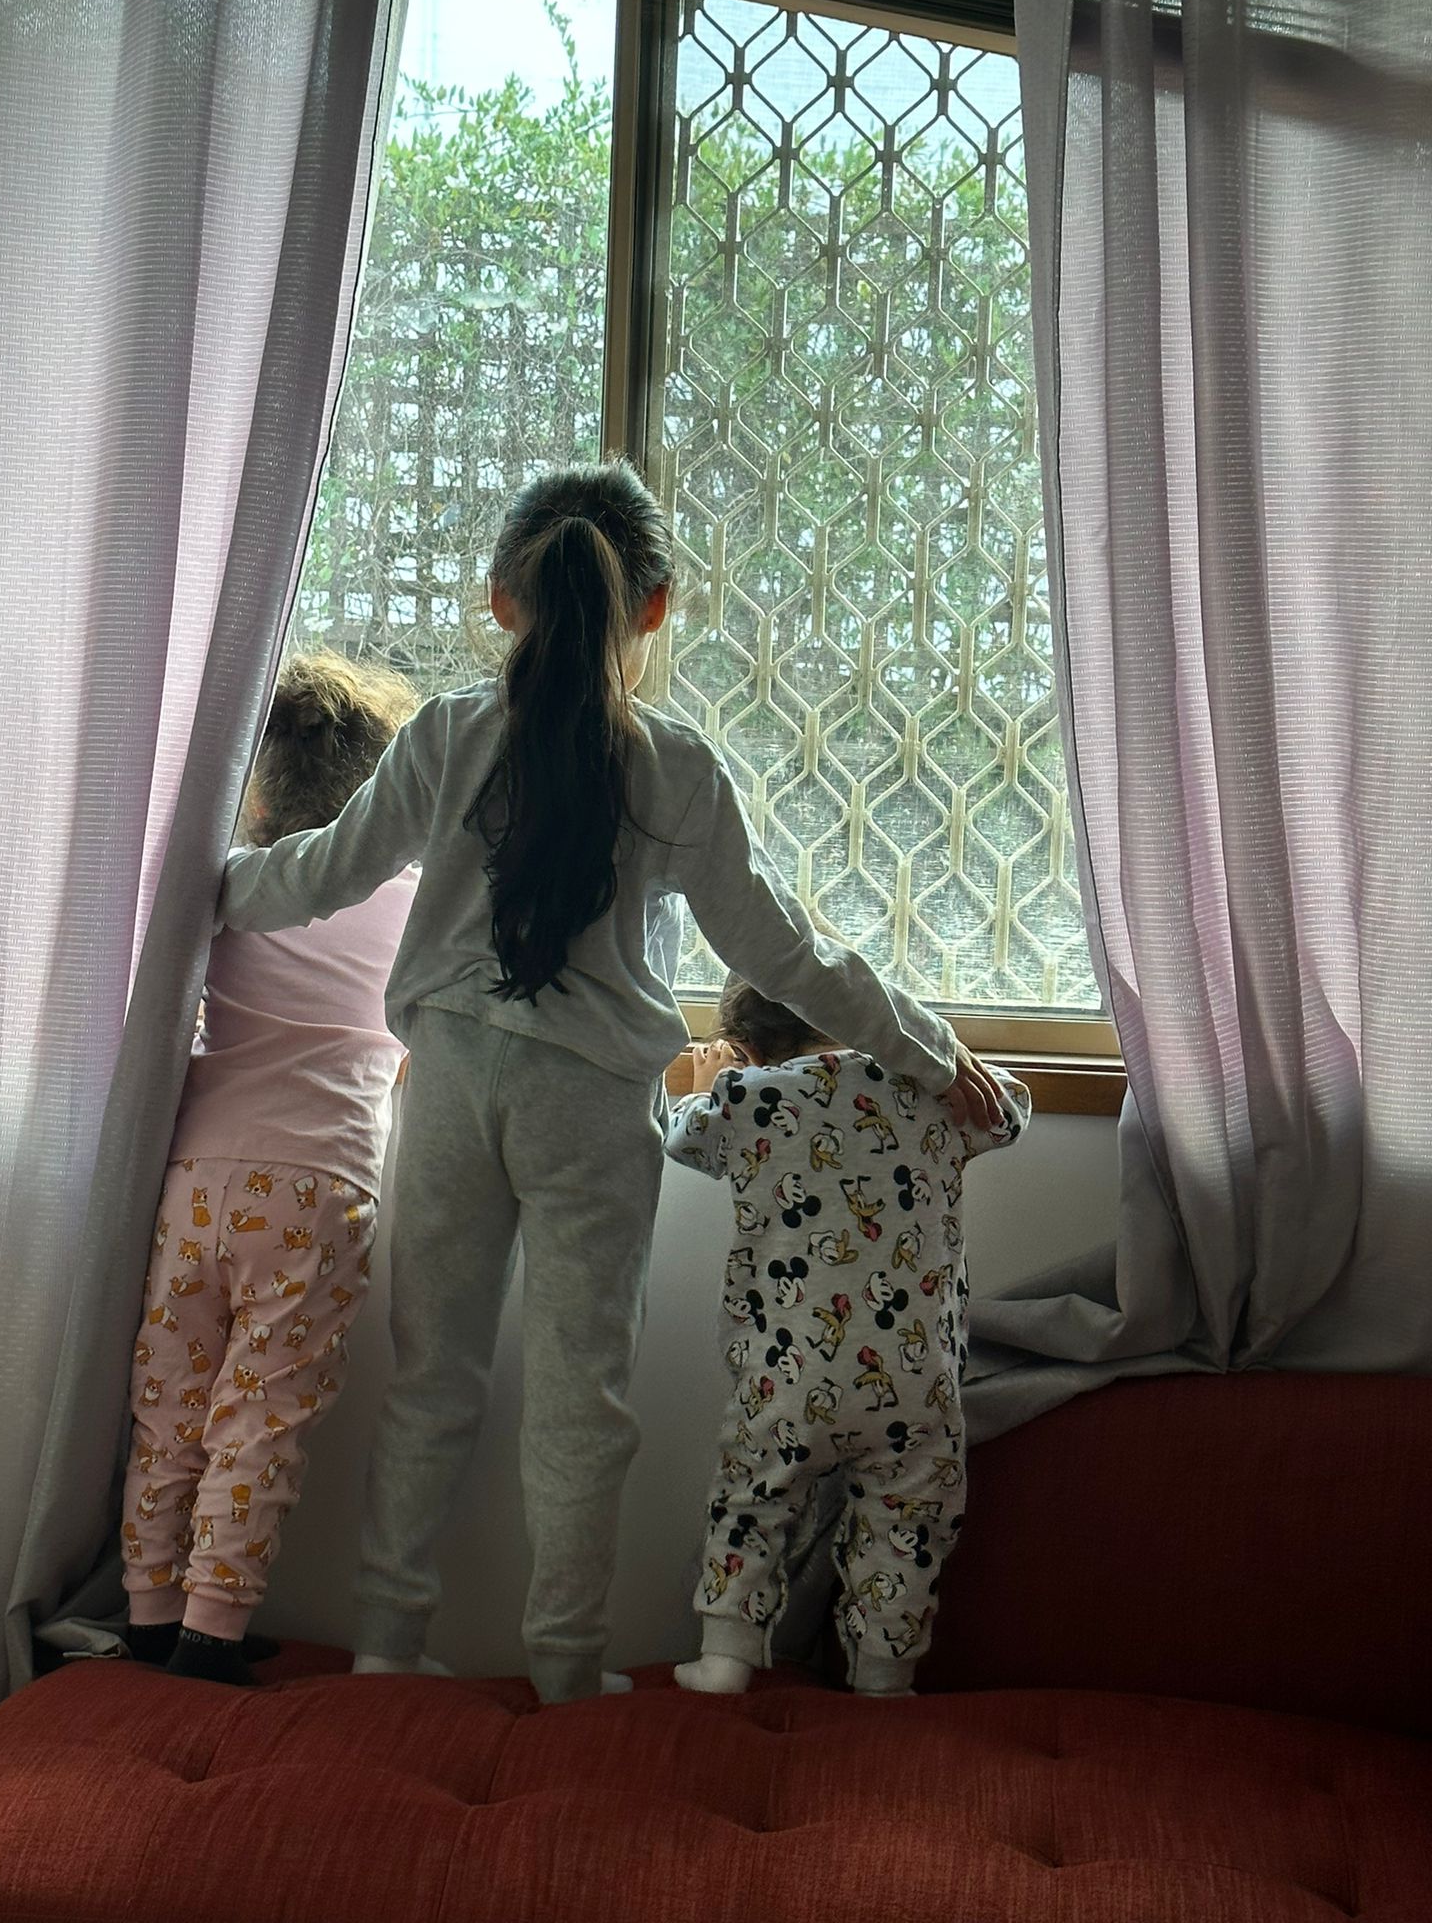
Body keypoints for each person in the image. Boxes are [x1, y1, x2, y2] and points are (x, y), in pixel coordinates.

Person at [218, 459, 1009, 1705]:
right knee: (583, 1400)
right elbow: (785, 953)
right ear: (654, 608)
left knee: (433, 1378)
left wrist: (177, 882)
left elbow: (312, 875)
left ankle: (383, 1646)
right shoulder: (679, 768)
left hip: (455, 1080)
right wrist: (926, 1046)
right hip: (590, 1104)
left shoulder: (447, 734)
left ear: (500, 603)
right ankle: (566, 1672)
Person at [119, 652, 419, 1685]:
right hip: (321, 1183)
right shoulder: (410, 897)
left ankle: (149, 1615)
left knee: (170, 1403)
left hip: (200, 1172)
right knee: (260, 1417)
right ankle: (212, 1631)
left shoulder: (233, 887)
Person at [667, 975, 1028, 1696]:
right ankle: (885, 1679)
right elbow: (1011, 1109)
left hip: (787, 1375)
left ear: (751, 1043)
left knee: (753, 1500)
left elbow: (681, 1135)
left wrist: (720, 1081)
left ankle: (726, 1661)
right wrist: (937, 1053)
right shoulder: (936, 1092)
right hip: (916, 1383)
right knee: (909, 1523)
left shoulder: (751, 1098)